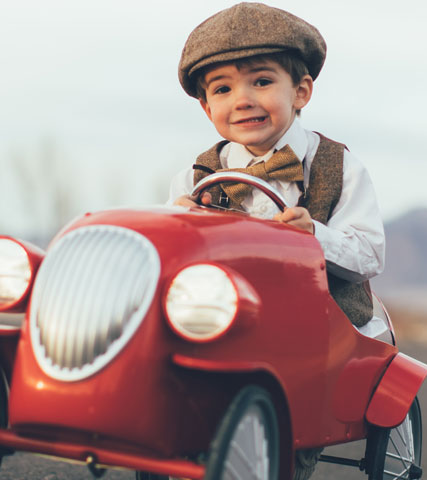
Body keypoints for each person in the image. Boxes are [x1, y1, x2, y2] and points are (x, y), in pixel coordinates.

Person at [166, 4, 386, 477]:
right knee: (169, 351)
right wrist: (180, 228)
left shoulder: (337, 165)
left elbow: (370, 254)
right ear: (207, 108)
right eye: (222, 89)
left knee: (298, 391)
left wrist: (316, 237)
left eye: (261, 82)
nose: (241, 99)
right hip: (224, 314)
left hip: (314, 317)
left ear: (301, 91)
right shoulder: (195, 175)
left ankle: (286, 456)